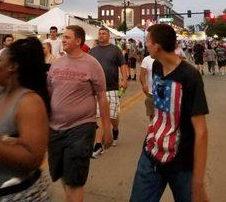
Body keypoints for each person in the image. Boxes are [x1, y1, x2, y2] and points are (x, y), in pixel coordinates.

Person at [130, 24, 209, 202]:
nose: (146, 45)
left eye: (148, 41)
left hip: (181, 163)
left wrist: (198, 182)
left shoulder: (190, 77)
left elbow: (201, 131)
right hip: (151, 155)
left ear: (156, 47)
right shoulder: (157, 66)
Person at [0, 37, 50, 201]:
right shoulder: (4, 93)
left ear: (12, 67)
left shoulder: (29, 102)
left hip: (18, 196)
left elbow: (33, 158)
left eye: (0, 60)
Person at [47, 25, 112, 202]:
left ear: (78, 41)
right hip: (55, 129)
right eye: (63, 37)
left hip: (81, 128)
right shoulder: (56, 64)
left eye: (67, 37)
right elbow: (49, 92)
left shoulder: (92, 64)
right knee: (61, 174)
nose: (63, 40)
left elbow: (102, 97)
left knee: (75, 180)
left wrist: (107, 128)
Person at [89, 28, 128, 158]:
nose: (101, 35)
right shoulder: (93, 51)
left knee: (112, 116)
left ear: (109, 36)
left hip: (112, 87)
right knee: (99, 115)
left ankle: (115, 129)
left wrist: (124, 79)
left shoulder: (115, 49)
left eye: (104, 33)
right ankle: (98, 143)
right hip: (97, 89)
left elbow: (122, 65)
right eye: (99, 33)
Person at [139, 54, 154, 120]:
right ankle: (153, 128)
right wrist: (144, 85)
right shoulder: (146, 59)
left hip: (164, 92)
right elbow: (142, 74)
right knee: (152, 114)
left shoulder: (165, 57)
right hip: (150, 92)